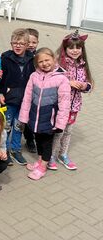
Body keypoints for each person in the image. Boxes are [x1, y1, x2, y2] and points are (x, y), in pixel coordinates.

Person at [19, 48, 70, 180]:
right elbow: (27, 97)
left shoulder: (61, 79)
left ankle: (43, 166)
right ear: (37, 64)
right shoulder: (34, 76)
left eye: (47, 60)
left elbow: (64, 103)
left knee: (46, 143)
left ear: (54, 59)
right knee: (38, 140)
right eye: (40, 61)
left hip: (49, 119)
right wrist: (24, 117)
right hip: (35, 117)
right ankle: (40, 160)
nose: (44, 64)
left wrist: (60, 123)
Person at [48, 30, 93, 171]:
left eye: (78, 47)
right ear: (65, 48)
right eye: (71, 47)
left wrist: (85, 86)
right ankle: (51, 156)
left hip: (75, 106)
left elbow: (88, 84)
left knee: (68, 131)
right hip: (60, 105)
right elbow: (51, 81)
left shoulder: (82, 64)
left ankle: (63, 154)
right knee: (58, 131)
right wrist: (68, 82)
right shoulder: (58, 64)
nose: (75, 50)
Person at [0, 29, 35, 166]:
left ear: (27, 45)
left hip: (25, 100)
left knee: (19, 126)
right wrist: (1, 92)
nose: (18, 46)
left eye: (21, 43)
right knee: (6, 126)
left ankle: (16, 149)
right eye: (15, 43)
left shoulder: (32, 59)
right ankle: (5, 150)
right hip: (9, 99)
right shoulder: (6, 58)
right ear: (11, 43)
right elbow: (1, 78)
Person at [23, 28, 40, 153]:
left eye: (34, 42)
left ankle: (33, 139)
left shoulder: (39, 56)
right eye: (28, 42)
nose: (30, 45)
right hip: (23, 91)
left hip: (37, 92)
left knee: (34, 116)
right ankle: (29, 139)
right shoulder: (21, 55)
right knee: (24, 117)